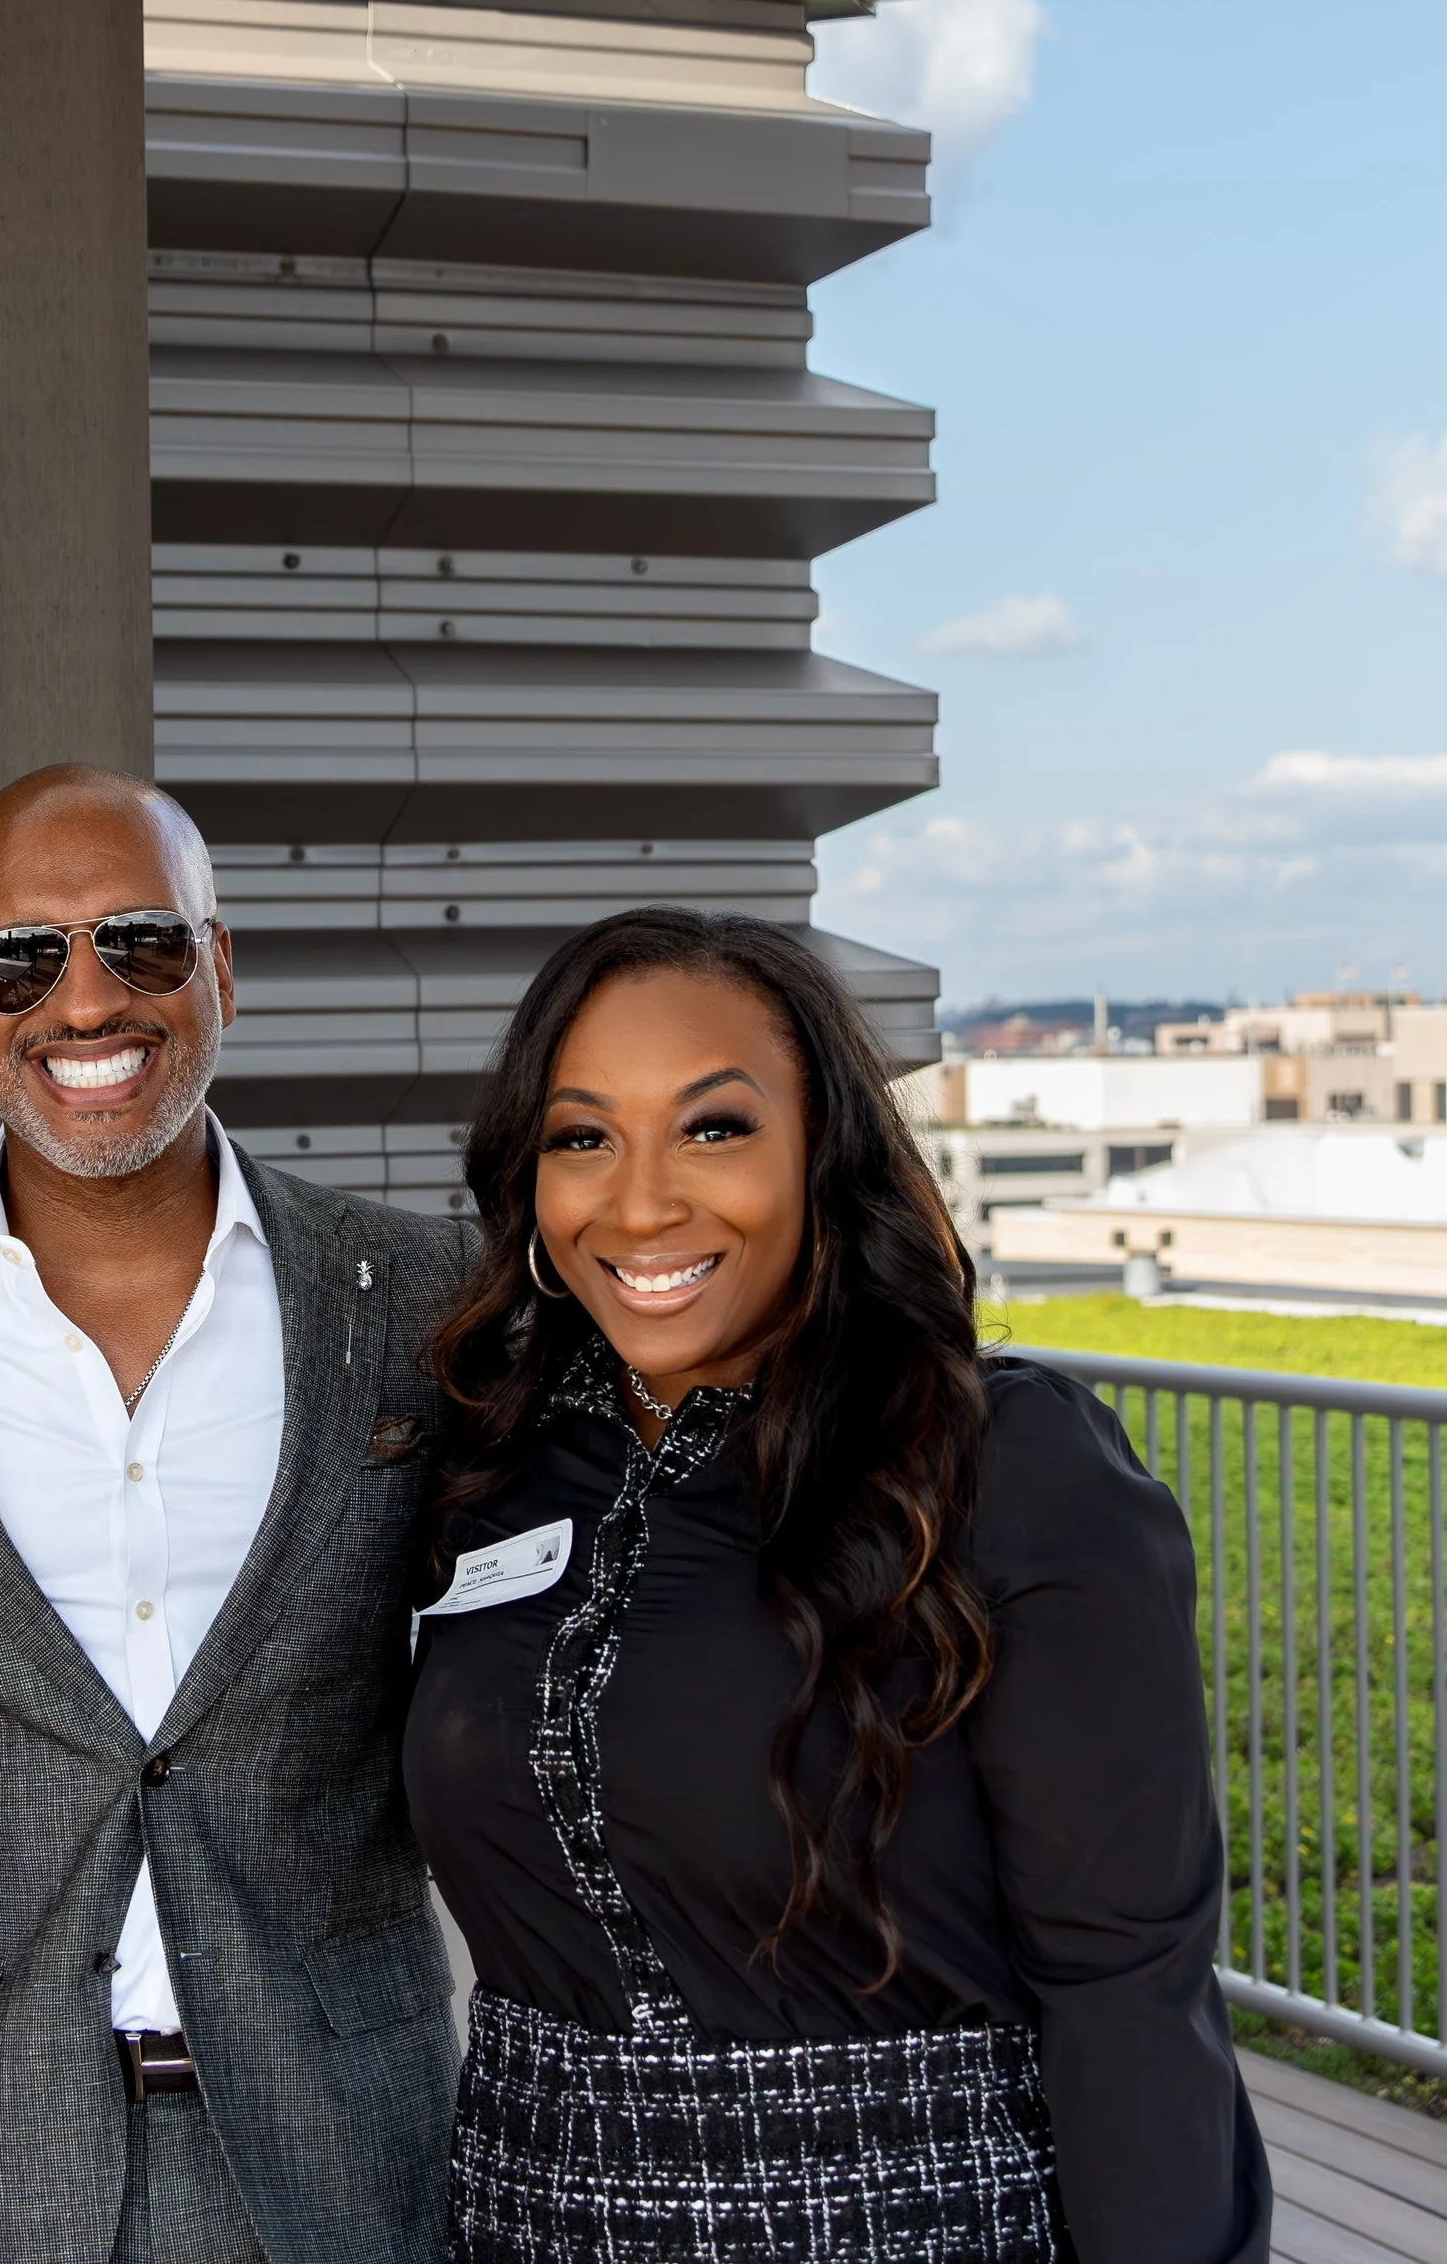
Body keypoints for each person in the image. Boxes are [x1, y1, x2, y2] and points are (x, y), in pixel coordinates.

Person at [404, 907, 1271, 2264]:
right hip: (529, 2221)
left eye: (714, 1128)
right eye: (583, 1138)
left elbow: (1127, 1982)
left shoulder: (999, 1462)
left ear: (825, 1153)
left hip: (906, 2225)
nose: (640, 1203)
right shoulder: (495, 1463)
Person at [0, 765, 465, 2264]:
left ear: (219, 966)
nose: (83, 1003)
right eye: (22, 958)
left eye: (137, 941)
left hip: (344, 2142)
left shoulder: (416, 1303)